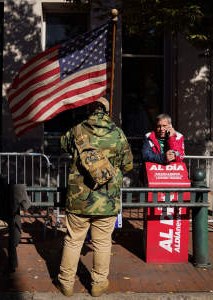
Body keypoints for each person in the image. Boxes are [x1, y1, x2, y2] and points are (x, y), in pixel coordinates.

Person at [56, 97, 133, 297]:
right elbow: (128, 164)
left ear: (89, 109)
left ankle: (65, 282)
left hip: (78, 199)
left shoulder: (77, 130)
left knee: (73, 240)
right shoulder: (118, 133)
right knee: (102, 242)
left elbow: (62, 144)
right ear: (107, 111)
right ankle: (98, 284)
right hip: (107, 200)